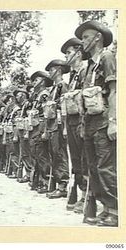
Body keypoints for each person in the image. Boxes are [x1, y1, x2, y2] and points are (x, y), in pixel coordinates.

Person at [75, 20, 117, 227]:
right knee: (93, 167)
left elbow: (115, 90)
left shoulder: (107, 57)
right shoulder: (90, 65)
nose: (83, 42)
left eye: (85, 37)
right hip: (90, 122)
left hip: (103, 121)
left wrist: (113, 121)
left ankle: (115, 210)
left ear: (97, 37)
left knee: (106, 166)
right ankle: (105, 208)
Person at [60, 37, 88, 213]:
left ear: (78, 53)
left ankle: (87, 196)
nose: (66, 57)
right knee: (76, 159)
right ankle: (79, 192)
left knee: (85, 158)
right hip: (71, 121)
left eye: (68, 53)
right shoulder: (73, 76)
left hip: (82, 120)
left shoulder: (86, 70)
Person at [44, 59, 70, 199]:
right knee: (54, 154)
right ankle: (58, 182)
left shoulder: (62, 86)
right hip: (52, 125)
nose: (50, 73)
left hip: (59, 124)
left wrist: (65, 127)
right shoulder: (54, 88)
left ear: (59, 70)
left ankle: (63, 185)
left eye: (52, 70)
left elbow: (65, 107)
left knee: (60, 154)